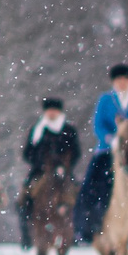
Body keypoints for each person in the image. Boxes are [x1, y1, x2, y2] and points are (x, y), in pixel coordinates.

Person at [76, 64, 128, 243]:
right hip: (109, 150)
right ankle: (89, 224)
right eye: (118, 80)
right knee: (91, 183)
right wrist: (112, 139)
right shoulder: (105, 100)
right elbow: (98, 125)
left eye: (125, 79)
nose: (121, 83)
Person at [20, 97, 80, 245]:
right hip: (40, 172)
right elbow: (28, 153)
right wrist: (41, 165)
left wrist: (64, 166)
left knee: (78, 195)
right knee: (24, 198)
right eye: (49, 110)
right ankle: (26, 234)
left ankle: (76, 231)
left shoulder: (68, 130)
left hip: (64, 172)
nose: (52, 113)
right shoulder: (37, 130)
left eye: (54, 110)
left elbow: (76, 152)